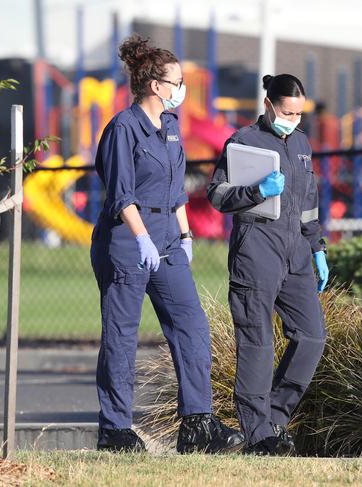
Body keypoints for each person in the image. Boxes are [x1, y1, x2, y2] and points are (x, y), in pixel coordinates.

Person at [90, 34, 243, 454]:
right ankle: (115, 428)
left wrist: (185, 234)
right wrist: (142, 238)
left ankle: (197, 424)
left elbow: (176, 190)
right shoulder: (124, 128)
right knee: (121, 335)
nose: (182, 90)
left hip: (169, 237)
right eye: (177, 82)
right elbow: (122, 195)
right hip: (127, 239)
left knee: (191, 324)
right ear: (156, 85)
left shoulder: (172, 127)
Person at [207, 74, 329, 455]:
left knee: (312, 336)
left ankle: (274, 418)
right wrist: (257, 191)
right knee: (257, 342)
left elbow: (308, 203)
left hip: (296, 256)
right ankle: (258, 435)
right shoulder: (242, 142)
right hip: (255, 251)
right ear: (269, 105)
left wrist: (317, 248)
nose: (292, 120)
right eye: (287, 112)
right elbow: (217, 194)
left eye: (298, 114)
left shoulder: (303, 143)